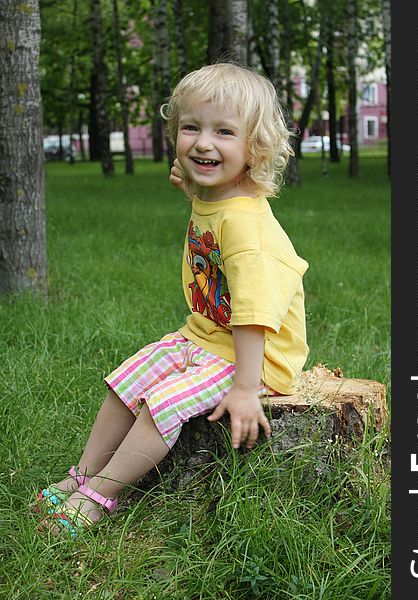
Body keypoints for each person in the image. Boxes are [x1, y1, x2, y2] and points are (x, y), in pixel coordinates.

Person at [36, 63, 309, 539]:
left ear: (255, 148)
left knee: (161, 402)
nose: (204, 143)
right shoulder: (218, 196)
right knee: (129, 380)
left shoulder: (247, 226)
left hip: (256, 356)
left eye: (224, 131)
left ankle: (101, 495)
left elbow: (253, 314)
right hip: (206, 334)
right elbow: (213, 218)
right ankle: (81, 474)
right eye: (191, 127)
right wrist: (193, 190)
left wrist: (246, 388)